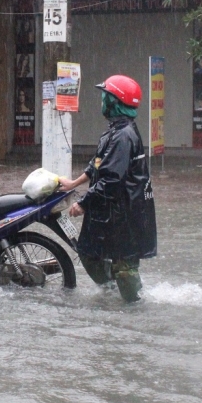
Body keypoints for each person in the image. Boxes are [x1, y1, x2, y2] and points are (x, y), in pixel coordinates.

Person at [59, 75, 157, 303]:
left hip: (126, 213)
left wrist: (83, 203)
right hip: (113, 211)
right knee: (88, 252)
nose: (101, 100)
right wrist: (74, 184)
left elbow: (111, 179)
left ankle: (134, 308)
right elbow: (97, 164)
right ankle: (111, 293)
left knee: (124, 266)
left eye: (105, 96)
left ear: (114, 101)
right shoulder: (116, 131)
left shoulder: (123, 136)